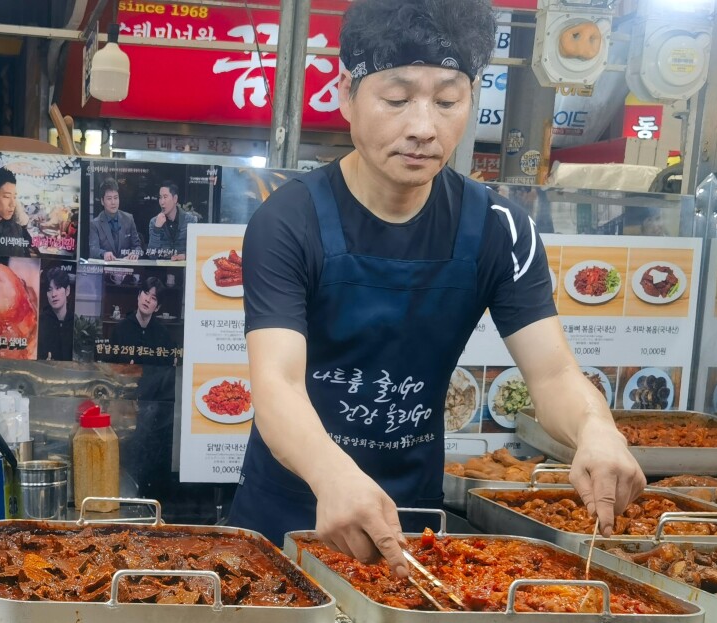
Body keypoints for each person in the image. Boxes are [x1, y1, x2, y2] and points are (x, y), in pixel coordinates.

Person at [227, 0, 644, 577]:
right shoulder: (288, 223)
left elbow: (552, 374)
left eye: (448, 100)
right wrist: (331, 473)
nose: (424, 126)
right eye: (397, 99)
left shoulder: (499, 228)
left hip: (413, 521)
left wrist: (596, 428)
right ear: (346, 93)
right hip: (291, 510)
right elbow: (277, 383)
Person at [111, 277, 178, 497]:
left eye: (154, 298)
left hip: (153, 407)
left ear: (157, 307)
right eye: (145, 294)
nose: (147, 300)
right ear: (138, 296)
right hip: (125, 402)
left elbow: (168, 373)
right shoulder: (121, 329)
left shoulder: (163, 335)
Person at [89, 178, 144, 261]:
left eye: (116, 198)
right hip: (105, 269)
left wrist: (135, 253)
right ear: (102, 201)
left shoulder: (129, 219)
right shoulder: (95, 224)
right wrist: (104, 254)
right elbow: (93, 249)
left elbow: (137, 246)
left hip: (127, 268)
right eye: (109, 198)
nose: (113, 202)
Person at [146, 181, 197, 261]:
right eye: (160, 197)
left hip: (183, 269)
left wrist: (185, 256)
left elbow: (197, 251)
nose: (162, 202)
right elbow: (152, 255)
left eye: (165, 197)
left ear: (175, 198)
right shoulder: (154, 222)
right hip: (162, 271)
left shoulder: (190, 221)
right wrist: (157, 229)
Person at [37, 266, 75, 361]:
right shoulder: (39, 322)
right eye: (49, 290)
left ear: (67, 291)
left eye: (58, 288)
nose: (53, 294)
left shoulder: (76, 322)